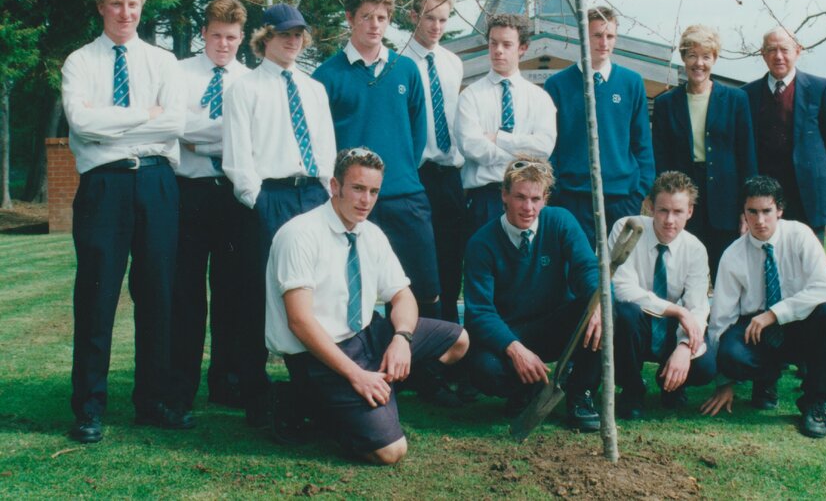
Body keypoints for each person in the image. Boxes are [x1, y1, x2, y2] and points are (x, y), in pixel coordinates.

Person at [265, 147, 469, 465]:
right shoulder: (300, 235)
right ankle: (304, 402)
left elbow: (402, 296)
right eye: (358, 188)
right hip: (319, 352)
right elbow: (300, 322)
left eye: (374, 191)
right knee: (390, 451)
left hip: (366, 335)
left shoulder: (369, 233)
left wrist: (402, 339)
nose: (366, 200)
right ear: (335, 186)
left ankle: (369, 397)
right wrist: (357, 375)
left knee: (459, 341)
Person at [63, 0, 187, 443]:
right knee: (96, 298)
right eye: (116, 3)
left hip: (156, 185)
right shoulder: (79, 62)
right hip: (104, 188)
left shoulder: (163, 62)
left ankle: (152, 401)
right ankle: (89, 408)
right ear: (101, 7)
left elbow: (173, 124)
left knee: (158, 295)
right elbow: (81, 121)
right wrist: (144, 115)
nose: (125, 12)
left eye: (133, 4)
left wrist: (112, 122)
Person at [223, 3, 336, 425]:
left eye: (299, 34)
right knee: (261, 295)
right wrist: (260, 202)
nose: (294, 41)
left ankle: (313, 386)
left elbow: (325, 148)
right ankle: (254, 392)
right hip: (270, 198)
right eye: (286, 33)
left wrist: (327, 195)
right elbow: (237, 158)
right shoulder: (245, 89)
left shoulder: (313, 89)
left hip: (313, 195)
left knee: (314, 293)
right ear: (265, 36)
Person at [312, 0, 441, 319]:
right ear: (349, 18)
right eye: (366, 16)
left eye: (382, 17)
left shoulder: (407, 70)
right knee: (349, 290)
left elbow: (416, 135)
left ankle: (424, 366)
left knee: (423, 288)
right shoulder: (326, 76)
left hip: (404, 195)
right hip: (350, 202)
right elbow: (321, 142)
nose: (374, 24)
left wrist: (399, 173)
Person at [462, 157, 603, 432]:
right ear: (504, 195)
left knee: (605, 308)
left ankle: (580, 394)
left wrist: (598, 303)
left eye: (536, 199)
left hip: (553, 323)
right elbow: (479, 312)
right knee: (483, 368)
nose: (528, 208)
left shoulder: (560, 222)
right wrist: (515, 349)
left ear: (545, 198)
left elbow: (587, 269)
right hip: (511, 331)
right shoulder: (482, 243)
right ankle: (525, 390)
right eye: (520, 197)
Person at [700, 176, 826, 439]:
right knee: (730, 352)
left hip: (799, 322)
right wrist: (725, 382)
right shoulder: (733, 254)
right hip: (756, 329)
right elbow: (720, 319)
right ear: (743, 213)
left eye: (767, 211)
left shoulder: (800, 236)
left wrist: (775, 314)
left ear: (779, 209)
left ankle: (815, 401)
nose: (760, 221)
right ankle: (766, 379)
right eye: (752, 212)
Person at [171, 0, 251, 413]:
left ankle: (227, 381)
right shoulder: (180, 73)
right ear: (203, 33)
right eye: (217, 35)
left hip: (233, 194)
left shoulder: (250, 80)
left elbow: (249, 136)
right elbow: (177, 127)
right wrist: (227, 133)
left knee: (231, 294)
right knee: (185, 294)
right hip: (190, 192)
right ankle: (179, 385)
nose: (223, 44)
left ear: (242, 39)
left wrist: (200, 133)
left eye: (232, 38)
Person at [651, 24, 757, 278]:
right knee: (682, 271)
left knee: (727, 272)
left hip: (725, 198)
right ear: (683, 58)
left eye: (706, 56)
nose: (699, 63)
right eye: (692, 55)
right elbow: (660, 156)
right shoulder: (666, 103)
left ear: (715, 59)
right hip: (682, 198)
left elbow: (747, 156)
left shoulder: (736, 100)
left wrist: (747, 206)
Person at [544, 6, 654, 247]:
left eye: (610, 36)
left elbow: (642, 144)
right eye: (597, 35)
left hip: (621, 198)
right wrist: (559, 192)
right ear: (583, 36)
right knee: (576, 272)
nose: (604, 42)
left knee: (621, 274)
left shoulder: (631, 83)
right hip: (573, 198)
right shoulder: (557, 85)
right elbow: (550, 146)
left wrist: (637, 193)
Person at [611, 171, 714, 419]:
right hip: (637, 323)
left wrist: (684, 347)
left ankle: (671, 383)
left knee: (705, 366)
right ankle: (632, 389)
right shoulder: (627, 228)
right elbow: (622, 288)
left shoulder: (695, 249)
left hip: (671, 329)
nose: (669, 220)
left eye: (678, 212)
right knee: (625, 312)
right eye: (663, 210)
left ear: (690, 211)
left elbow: (698, 307)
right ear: (650, 207)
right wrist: (677, 310)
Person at [456, 14, 557, 236]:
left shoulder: (540, 99)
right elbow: (473, 148)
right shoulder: (470, 96)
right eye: (493, 43)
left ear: (523, 47)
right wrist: (523, 158)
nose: (498, 50)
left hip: (528, 200)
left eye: (506, 44)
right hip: (486, 198)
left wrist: (498, 138)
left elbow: (544, 148)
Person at [400, 0, 465, 325]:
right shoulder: (396, 62)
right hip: (416, 175)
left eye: (443, 19)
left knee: (451, 266)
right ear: (413, 17)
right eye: (429, 18)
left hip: (450, 175)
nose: (437, 26)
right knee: (419, 271)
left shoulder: (453, 63)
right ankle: (421, 346)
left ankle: (452, 346)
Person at [742, 27, 826, 240]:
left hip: (809, 196)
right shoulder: (747, 94)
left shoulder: (819, 88)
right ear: (763, 54)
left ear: (798, 51)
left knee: (809, 263)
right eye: (771, 50)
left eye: (784, 49)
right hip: (765, 198)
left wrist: (815, 174)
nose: (778, 56)